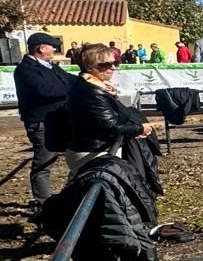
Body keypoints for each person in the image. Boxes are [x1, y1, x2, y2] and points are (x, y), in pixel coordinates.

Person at [65, 43, 154, 173]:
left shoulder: (90, 86)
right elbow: (111, 126)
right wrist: (140, 129)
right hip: (94, 153)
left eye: (115, 62)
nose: (113, 67)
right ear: (89, 66)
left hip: (98, 150)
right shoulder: (93, 92)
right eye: (106, 64)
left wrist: (112, 96)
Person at [13, 32, 73, 213]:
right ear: (41, 48)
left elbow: (71, 80)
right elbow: (47, 90)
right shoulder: (25, 70)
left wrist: (89, 82)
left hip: (61, 119)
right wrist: (72, 89)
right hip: (42, 123)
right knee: (44, 163)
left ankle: (72, 195)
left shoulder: (51, 67)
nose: (54, 49)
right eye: (52, 46)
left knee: (75, 156)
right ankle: (44, 205)